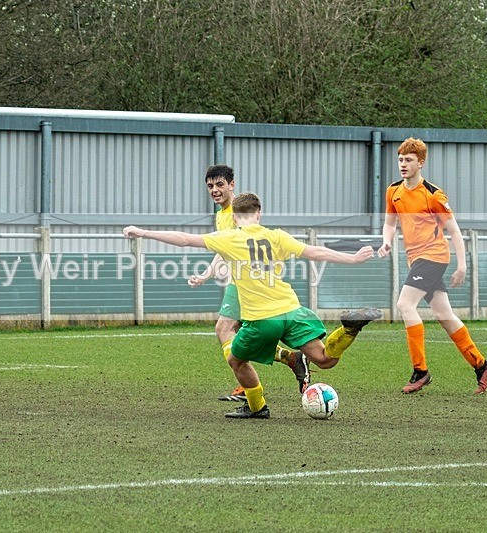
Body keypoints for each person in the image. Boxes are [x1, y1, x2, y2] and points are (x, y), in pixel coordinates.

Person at [124, 192, 382, 419]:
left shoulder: (229, 238)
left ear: (235, 217)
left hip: (262, 320)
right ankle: (349, 329)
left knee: (236, 359)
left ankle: (257, 407)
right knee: (325, 359)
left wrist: (143, 233)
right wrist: (353, 259)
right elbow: (314, 252)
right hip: (293, 310)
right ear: (259, 214)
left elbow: (183, 239)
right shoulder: (277, 236)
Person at [377, 138, 487, 394]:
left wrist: (462, 265)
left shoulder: (433, 194)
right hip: (416, 259)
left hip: (433, 257)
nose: (403, 164)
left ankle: (421, 371)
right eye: (400, 160)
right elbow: (389, 223)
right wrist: (386, 242)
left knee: (404, 305)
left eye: (409, 160)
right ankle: (482, 365)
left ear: (421, 162)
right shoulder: (393, 191)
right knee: (445, 316)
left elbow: (453, 230)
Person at [188, 165, 310, 400]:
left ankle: (249, 388)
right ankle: (291, 358)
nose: (215, 190)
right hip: (242, 283)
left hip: (248, 284)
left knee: (224, 329)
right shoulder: (221, 215)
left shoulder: (238, 214)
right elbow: (222, 248)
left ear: (232, 185)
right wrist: (208, 273)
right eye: (210, 186)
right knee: (242, 332)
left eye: (220, 184)